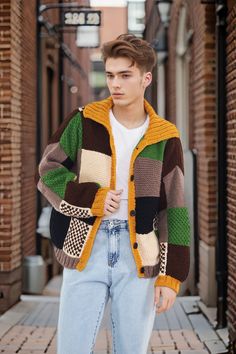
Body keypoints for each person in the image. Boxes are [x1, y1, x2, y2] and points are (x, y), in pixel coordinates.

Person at [35, 33, 190, 354]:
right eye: (109, 75)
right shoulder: (84, 120)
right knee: (72, 349)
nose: (115, 84)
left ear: (146, 78)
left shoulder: (165, 137)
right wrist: (91, 198)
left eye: (124, 75)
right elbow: (48, 171)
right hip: (85, 247)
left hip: (139, 258)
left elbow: (173, 208)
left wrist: (170, 276)